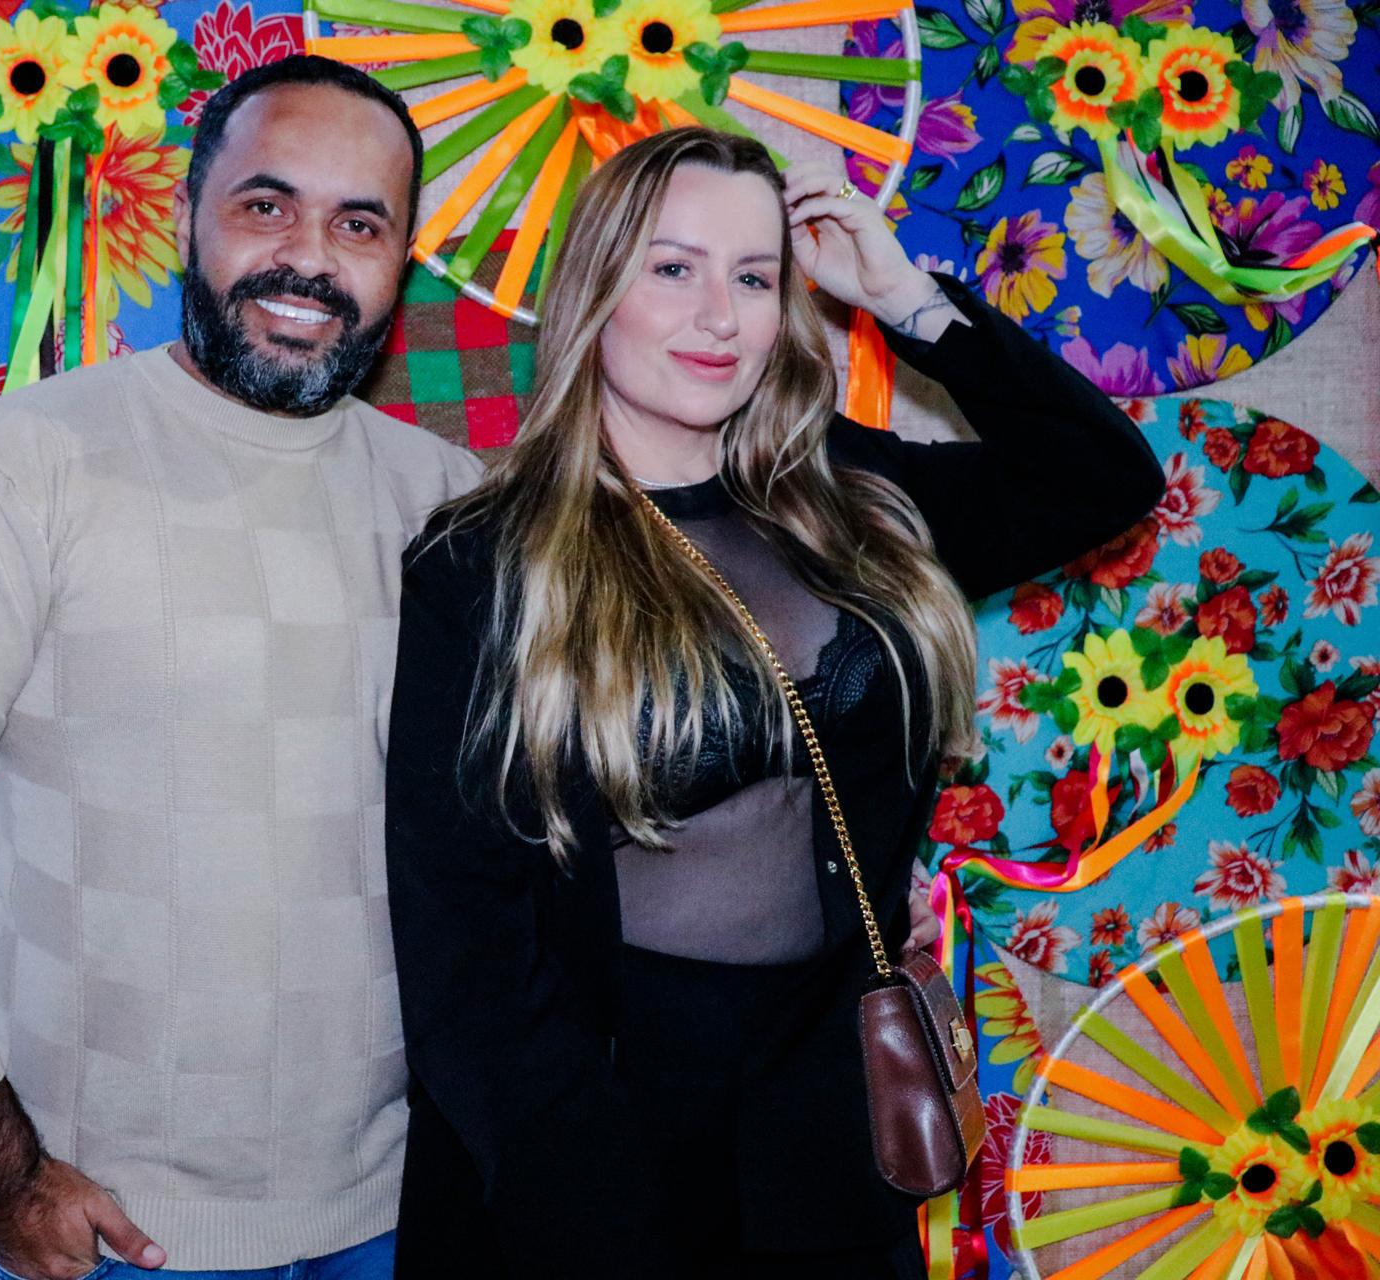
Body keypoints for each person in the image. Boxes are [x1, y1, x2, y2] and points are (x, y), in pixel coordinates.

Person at [383, 128, 1166, 1278]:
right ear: (597, 288)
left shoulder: (851, 498)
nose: (720, 316)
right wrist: (585, 1213)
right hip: (593, 1123)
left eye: (754, 277)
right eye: (674, 268)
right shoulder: (487, 562)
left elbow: (1103, 477)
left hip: (831, 1117)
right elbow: (467, 952)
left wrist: (906, 299)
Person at [0, 56, 483, 1280]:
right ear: (184, 216)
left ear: (402, 260)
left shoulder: (449, 500)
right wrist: (7, 1177)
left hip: (401, 1214)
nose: (309, 259)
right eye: (266, 205)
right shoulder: (20, 470)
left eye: (359, 224)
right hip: (110, 1234)